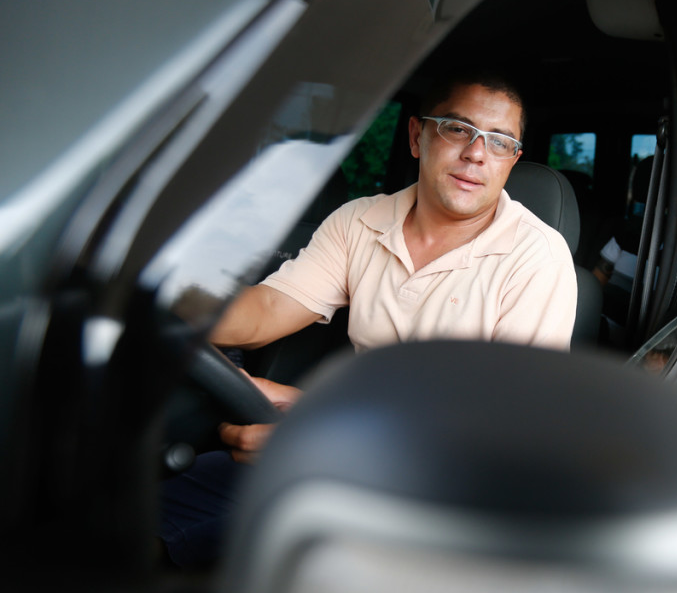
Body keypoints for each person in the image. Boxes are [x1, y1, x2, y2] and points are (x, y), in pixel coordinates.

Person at [160, 69, 578, 566]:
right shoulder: (358, 221)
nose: (476, 153)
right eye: (458, 129)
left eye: (500, 142)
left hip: (434, 494)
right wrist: (159, 303)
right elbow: (266, 309)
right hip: (337, 448)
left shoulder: (537, 258)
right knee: (130, 523)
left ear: (512, 160)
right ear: (417, 136)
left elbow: (506, 430)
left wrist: (325, 427)